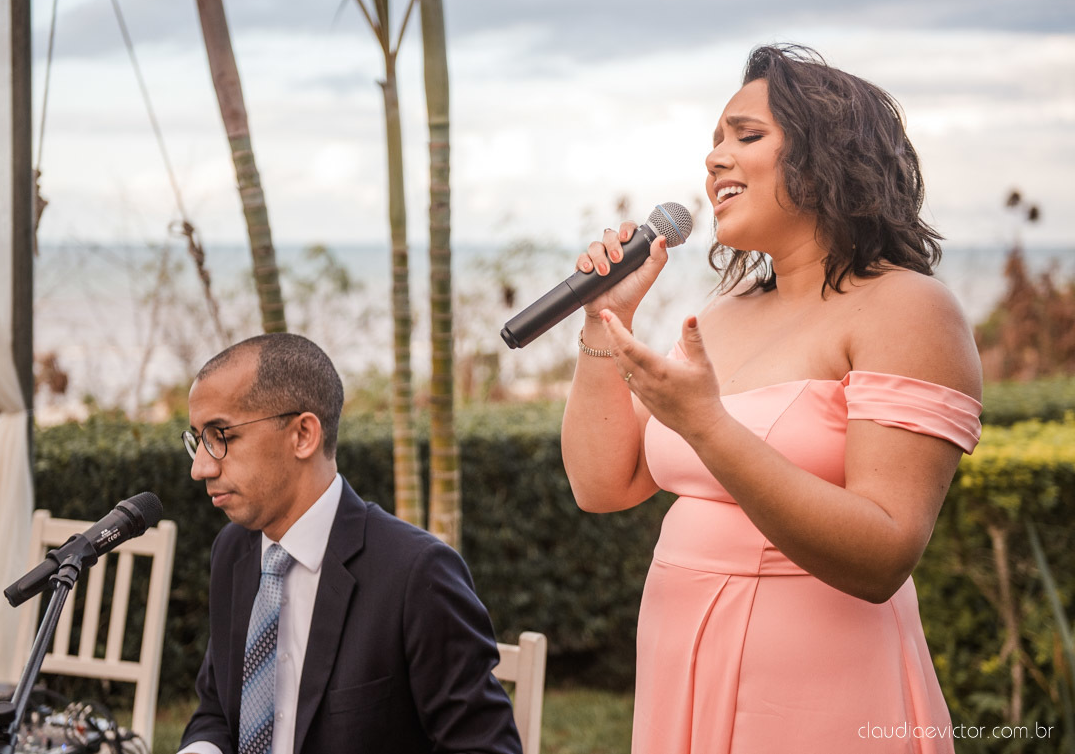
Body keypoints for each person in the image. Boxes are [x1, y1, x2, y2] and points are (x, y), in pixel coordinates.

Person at [561, 44, 982, 753]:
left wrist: (708, 426)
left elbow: (884, 554)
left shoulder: (908, 309)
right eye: (715, 141)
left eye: (746, 136)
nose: (715, 159)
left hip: (817, 692)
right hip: (680, 666)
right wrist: (605, 318)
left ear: (828, 154)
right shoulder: (724, 313)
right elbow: (603, 484)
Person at [177, 333, 520, 754]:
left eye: (220, 435)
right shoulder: (233, 550)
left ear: (303, 435)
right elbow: (217, 709)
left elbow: (483, 746)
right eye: (198, 439)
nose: (200, 467)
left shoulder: (415, 573)